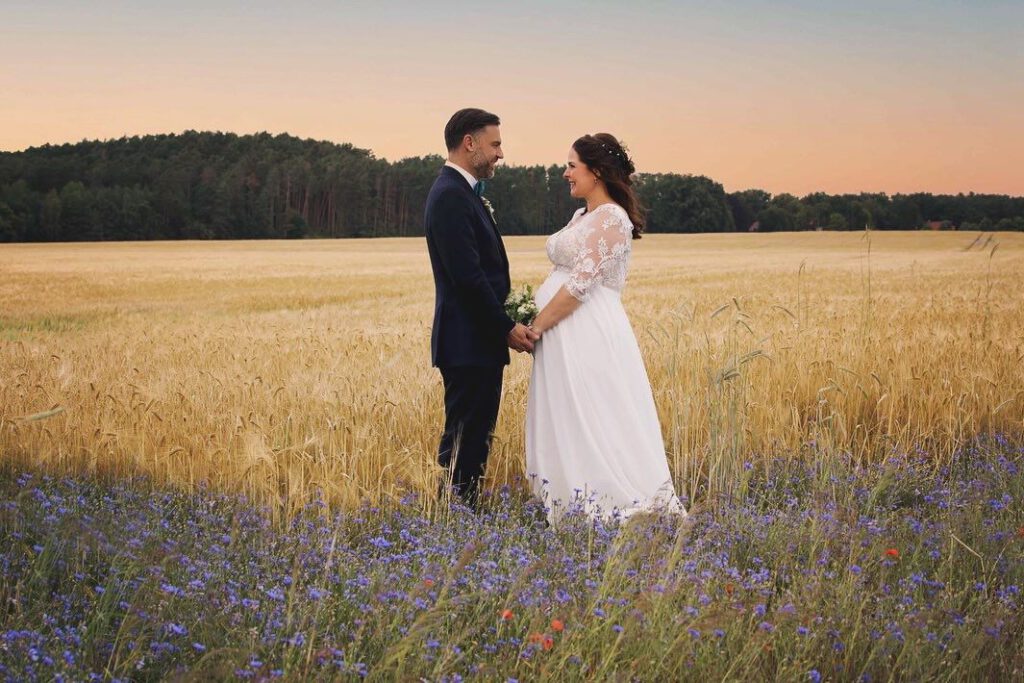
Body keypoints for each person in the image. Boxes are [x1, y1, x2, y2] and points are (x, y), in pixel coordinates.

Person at [526, 133, 686, 523]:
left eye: (572, 165)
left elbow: (582, 284)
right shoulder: (584, 216)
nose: (565, 173)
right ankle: (569, 498)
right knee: (568, 411)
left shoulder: (612, 218)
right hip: (566, 331)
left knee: (595, 410)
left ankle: (608, 501)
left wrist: (535, 327)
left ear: (595, 171)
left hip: (586, 329)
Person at [424, 108, 540, 509]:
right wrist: (506, 327)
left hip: (475, 342)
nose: (500, 154)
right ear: (469, 143)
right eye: (495, 144)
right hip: (467, 342)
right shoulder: (451, 196)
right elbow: (468, 278)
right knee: (465, 436)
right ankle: (458, 514)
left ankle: (462, 511)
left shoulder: (462, 194)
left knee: (474, 434)